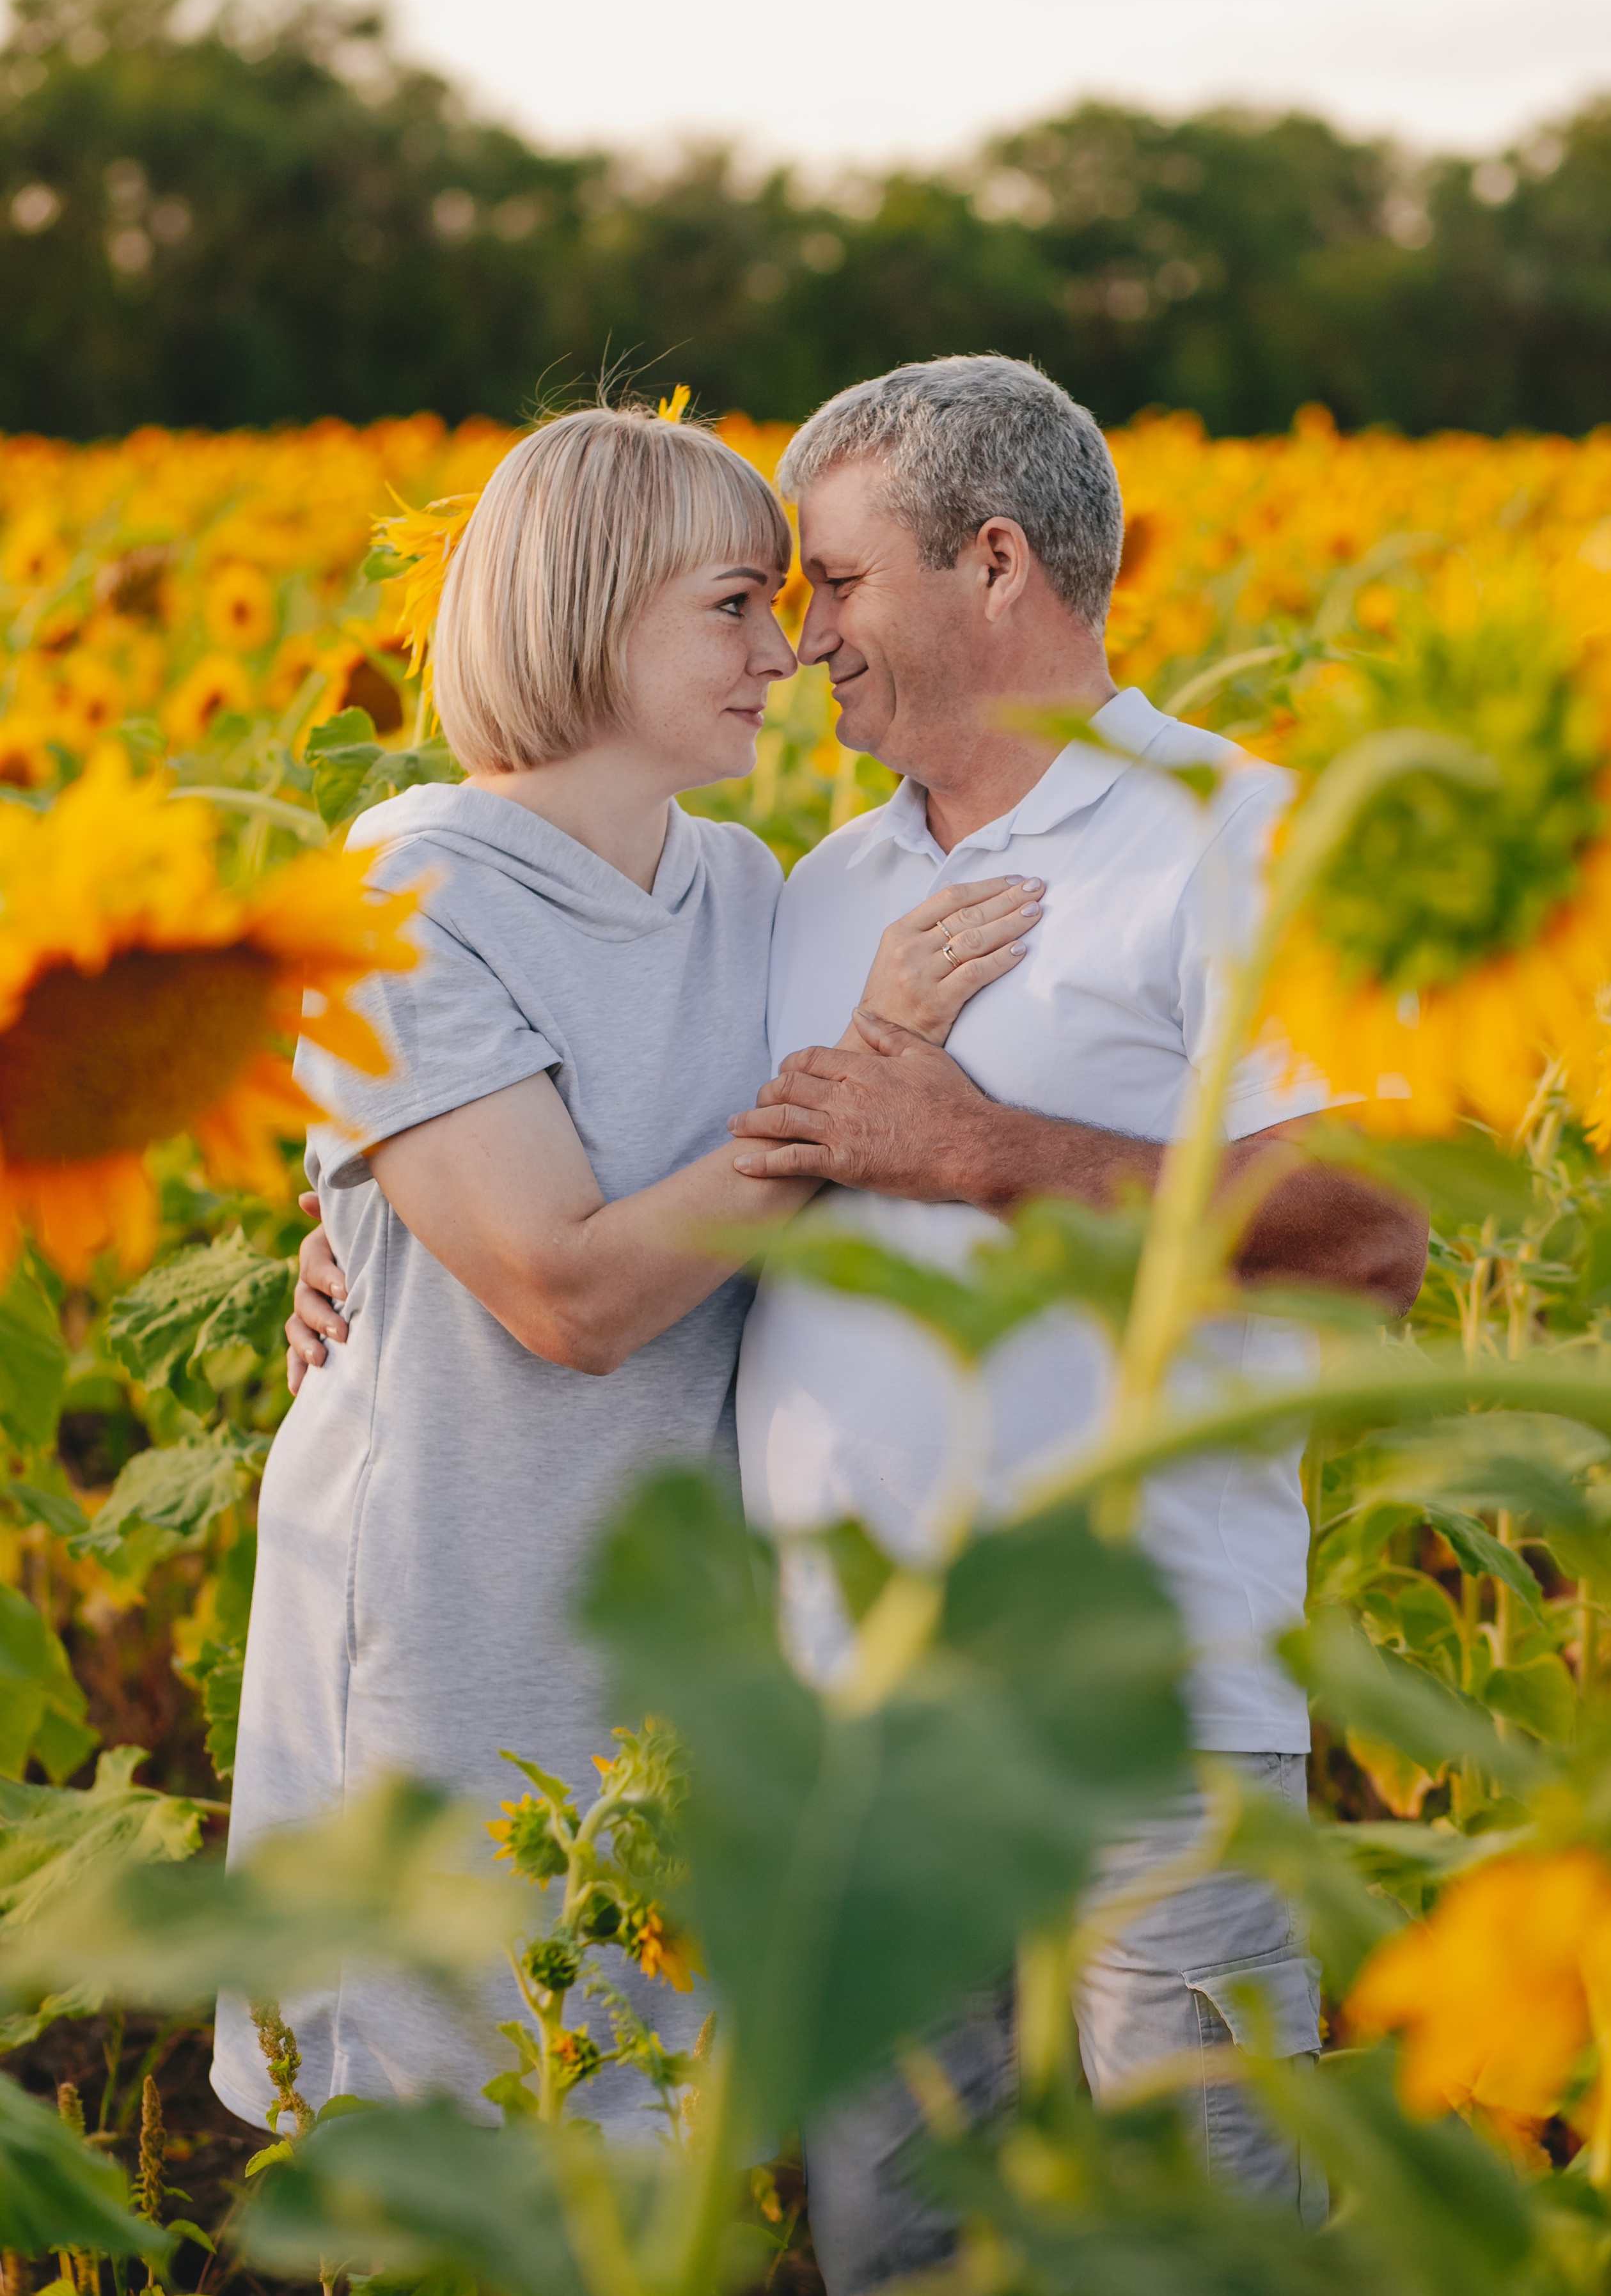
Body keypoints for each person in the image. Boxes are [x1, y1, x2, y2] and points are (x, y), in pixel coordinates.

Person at [287, 361, 1427, 2273]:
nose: (805, 642)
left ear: (995, 565)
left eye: (830, 584)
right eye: (768, 598)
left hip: (1144, 1697)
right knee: (897, 2245)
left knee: (1218, 2233)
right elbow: (579, 1146)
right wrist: (351, 1234)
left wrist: (982, 1146)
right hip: (847, 1727)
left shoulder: (1241, 835)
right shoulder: (814, 891)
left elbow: (1375, 1233)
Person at [214, 400, 1040, 2139]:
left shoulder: (744, 885)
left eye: (783, 605)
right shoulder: (406, 896)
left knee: (646, 2118)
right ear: (585, 614)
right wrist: (857, 1076)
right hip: (454, 1598)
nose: (785, 653)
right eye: (733, 607)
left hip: (672, 1606)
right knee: (448, 2128)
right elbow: (566, 1296)